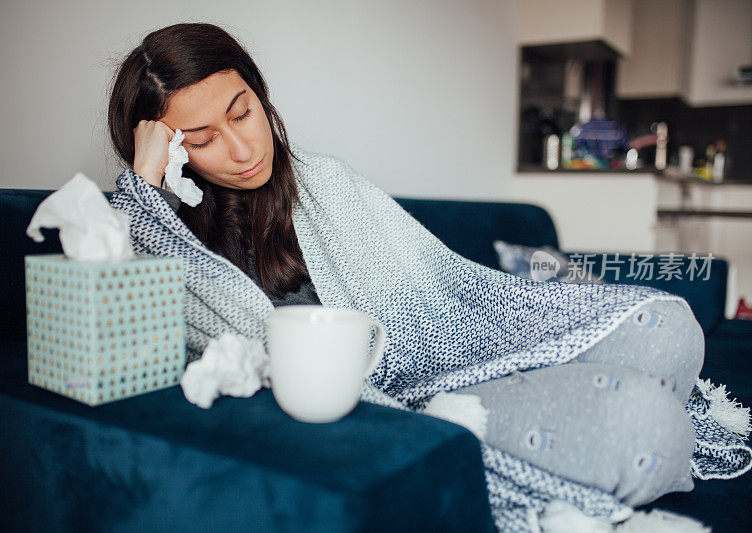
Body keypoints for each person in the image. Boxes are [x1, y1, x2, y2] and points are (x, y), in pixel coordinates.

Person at [106, 22, 705, 512]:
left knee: (667, 330)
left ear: (260, 97)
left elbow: (449, 287)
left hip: (459, 358)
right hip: (394, 406)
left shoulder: (324, 183)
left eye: (242, 114)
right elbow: (133, 339)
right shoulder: (156, 233)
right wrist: (145, 190)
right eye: (202, 138)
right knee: (645, 428)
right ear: (171, 147)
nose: (241, 150)